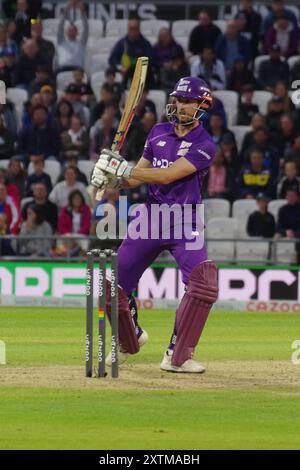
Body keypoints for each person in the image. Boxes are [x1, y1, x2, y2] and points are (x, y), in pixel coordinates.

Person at [91, 76, 218, 373]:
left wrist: (124, 168)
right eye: (177, 99)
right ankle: (129, 339)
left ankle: (179, 356)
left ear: (202, 106)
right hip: (150, 217)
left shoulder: (204, 145)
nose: (180, 105)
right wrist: (112, 179)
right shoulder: (158, 132)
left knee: (203, 284)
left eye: (187, 101)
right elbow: (138, 176)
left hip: (185, 221)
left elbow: (166, 176)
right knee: (111, 283)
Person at [56, 0, 88, 72]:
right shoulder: (61, 42)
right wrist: (66, 9)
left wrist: (82, 11)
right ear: (66, 32)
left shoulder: (81, 43)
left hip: (77, 70)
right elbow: (60, 27)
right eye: (70, 30)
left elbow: (86, 28)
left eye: (74, 30)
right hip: (63, 69)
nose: (71, 32)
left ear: (77, 33)